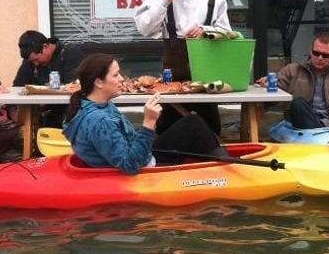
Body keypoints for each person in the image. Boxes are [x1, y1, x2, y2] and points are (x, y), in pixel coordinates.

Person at [62, 53, 224, 174]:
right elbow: (130, 166)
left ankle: (219, 165)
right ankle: (228, 170)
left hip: (141, 154)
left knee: (191, 123)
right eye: (115, 75)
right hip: (143, 165)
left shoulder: (91, 104)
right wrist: (148, 122)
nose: (122, 79)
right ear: (98, 82)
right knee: (194, 125)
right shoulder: (100, 120)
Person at [134, 0, 232, 134]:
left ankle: (209, 157)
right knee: (168, 128)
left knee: (210, 129)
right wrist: (164, 2)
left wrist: (206, 30)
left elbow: (228, 34)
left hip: (206, 73)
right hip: (172, 75)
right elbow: (144, 28)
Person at [261, 33, 329, 129]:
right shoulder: (292, 70)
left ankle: (319, 131)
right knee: (298, 104)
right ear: (310, 51)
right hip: (301, 121)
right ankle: (318, 132)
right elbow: (273, 98)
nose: (319, 58)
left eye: (325, 55)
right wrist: (265, 87)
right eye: (316, 53)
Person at [12, 30, 64, 128]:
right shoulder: (30, 61)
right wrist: (13, 111)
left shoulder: (67, 54)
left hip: (66, 112)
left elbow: (74, 87)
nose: (35, 64)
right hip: (41, 112)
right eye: (32, 61)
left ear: (45, 47)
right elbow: (18, 86)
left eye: (36, 59)